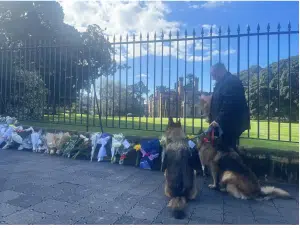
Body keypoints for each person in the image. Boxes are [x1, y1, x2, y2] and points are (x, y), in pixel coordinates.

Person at [208, 62, 250, 152]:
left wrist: (218, 120)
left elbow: (229, 104)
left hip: (230, 125)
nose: (212, 77)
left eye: (213, 74)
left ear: (220, 70)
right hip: (223, 124)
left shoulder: (232, 81)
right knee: (222, 151)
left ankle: (231, 165)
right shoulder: (221, 83)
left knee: (226, 152)